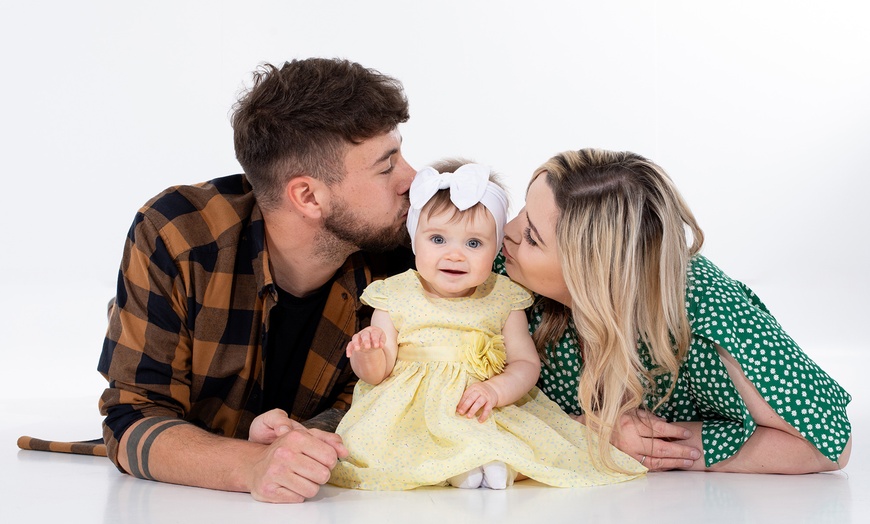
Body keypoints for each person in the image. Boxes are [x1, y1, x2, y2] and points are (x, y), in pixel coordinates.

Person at [95, 57, 417, 503]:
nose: (413, 179)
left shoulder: (407, 255)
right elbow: (131, 417)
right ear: (307, 196)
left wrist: (301, 440)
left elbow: (374, 407)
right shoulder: (179, 235)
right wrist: (251, 465)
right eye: (387, 166)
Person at [499, 147, 853, 474]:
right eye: (521, 214)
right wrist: (590, 432)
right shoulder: (500, 273)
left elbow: (829, 444)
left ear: (595, 274)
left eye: (532, 236)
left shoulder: (702, 306)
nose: (508, 232)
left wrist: (660, 443)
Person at [328, 160, 646, 491]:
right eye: (437, 239)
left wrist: (495, 390)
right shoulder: (394, 295)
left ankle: (496, 463)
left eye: (474, 243)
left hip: (480, 406)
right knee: (390, 447)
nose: (454, 255)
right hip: (412, 411)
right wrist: (369, 352)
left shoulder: (504, 296)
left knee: (508, 436)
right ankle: (459, 467)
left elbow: (525, 363)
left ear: (496, 247)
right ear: (413, 239)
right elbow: (378, 374)